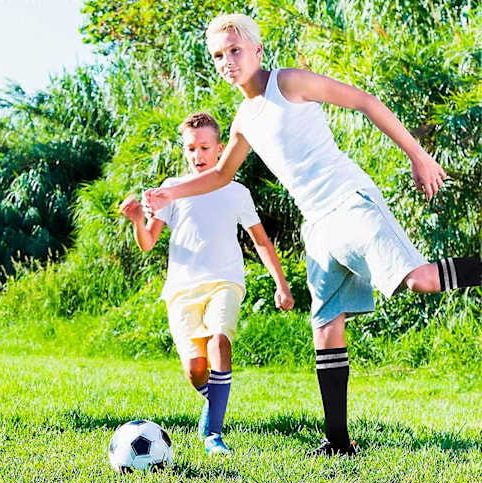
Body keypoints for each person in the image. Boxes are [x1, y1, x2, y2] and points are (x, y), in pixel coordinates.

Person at [143, 15, 482, 456]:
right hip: (317, 224)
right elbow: (223, 174)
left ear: (257, 50)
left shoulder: (288, 83)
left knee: (420, 280)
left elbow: (364, 101)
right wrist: (169, 191)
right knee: (325, 326)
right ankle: (338, 442)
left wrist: (418, 156)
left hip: (349, 200)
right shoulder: (244, 119)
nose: (227, 62)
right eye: (218, 56)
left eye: (235, 51)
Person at [121, 112, 294, 454]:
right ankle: (216, 402)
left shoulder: (237, 191)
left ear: (219, 148)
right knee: (195, 369)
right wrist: (139, 219)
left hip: (225, 281)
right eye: (190, 149)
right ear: (183, 150)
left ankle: (213, 434)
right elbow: (148, 242)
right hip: (181, 289)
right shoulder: (170, 189)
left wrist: (281, 284)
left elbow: (260, 240)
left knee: (219, 343)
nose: (197, 155)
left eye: (204, 147)